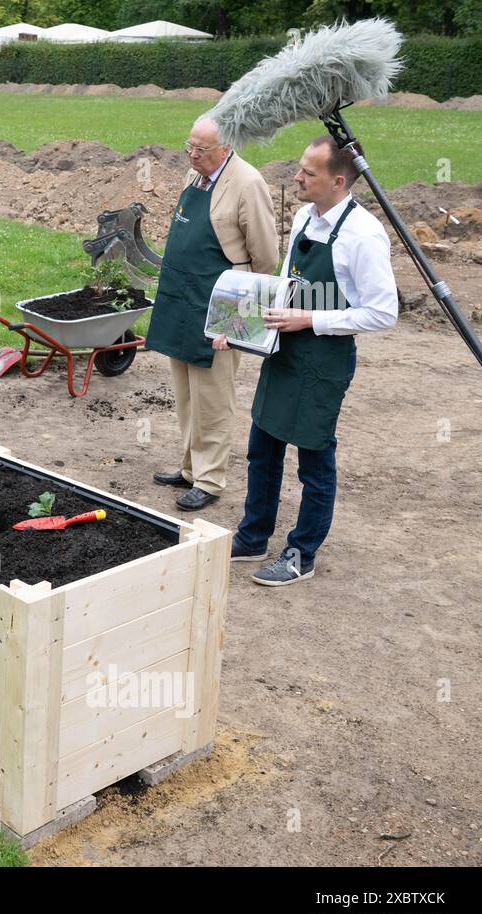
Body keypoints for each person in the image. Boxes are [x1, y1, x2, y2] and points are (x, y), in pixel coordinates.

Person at [215, 134, 397, 586]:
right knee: (263, 447)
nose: (296, 177)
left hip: (325, 359)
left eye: (308, 173)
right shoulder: (301, 216)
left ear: (338, 181)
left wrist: (310, 319)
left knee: (314, 461)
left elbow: (383, 312)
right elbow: (283, 287)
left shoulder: (364, 235)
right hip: (285, 350)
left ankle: (302, 552)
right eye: (300, 168)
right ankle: (253, 535)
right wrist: (241, 328)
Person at [145, 115, 278, 511]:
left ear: (226, 146)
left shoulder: (248, 183)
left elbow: (266, 258)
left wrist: (237, 317)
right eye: (189, 147)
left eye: (200, 150)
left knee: (214, 397)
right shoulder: (194, 176)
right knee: (186, 392)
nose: (192, 155)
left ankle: (210, 479)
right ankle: (189, 467)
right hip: (182, 298)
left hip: (222, 303)